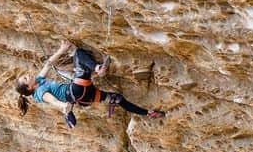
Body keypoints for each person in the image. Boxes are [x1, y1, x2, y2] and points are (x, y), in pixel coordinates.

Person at [15, 40, 165, 128]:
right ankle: (98, 68)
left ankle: (148, 113)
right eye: (26, 79)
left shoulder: (39, 82)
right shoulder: (40, 93)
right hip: (76, 91)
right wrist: (63, 108)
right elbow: (52, 100)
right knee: (79, 55)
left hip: (85, 97)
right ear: (29, 87)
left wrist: (61, 50)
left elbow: (48, 65)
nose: (28, 75)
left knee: (117, 98)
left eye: (25, 76)